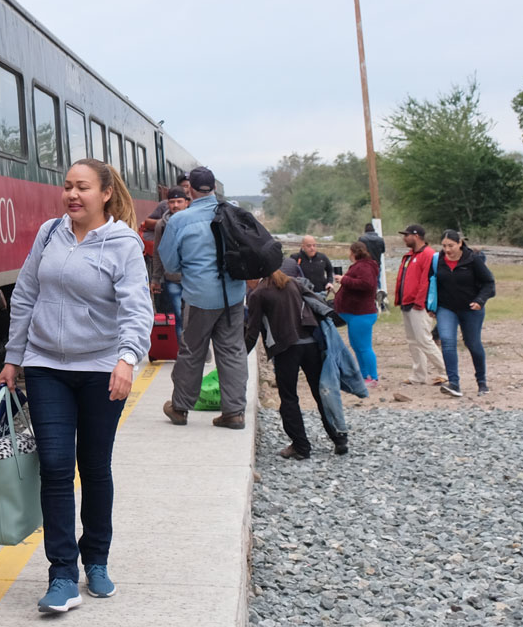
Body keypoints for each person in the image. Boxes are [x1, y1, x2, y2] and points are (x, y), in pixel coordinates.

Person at [0, 159, 152, 613]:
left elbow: (136, 308)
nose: (72, 195)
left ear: (105, 193)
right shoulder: (49, 233)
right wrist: (13, 358)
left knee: (95, 464)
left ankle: (97, 560)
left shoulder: (123, 243)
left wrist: (127, 360)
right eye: (67, 186)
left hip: (102, 369)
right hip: (47, 366)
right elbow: (26, 294)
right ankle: (62, 573)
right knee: (57, 467)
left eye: (82, 187)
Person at [157, 167, 248, 429]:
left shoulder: (180, 220)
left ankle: (180, 407)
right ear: (215, 189)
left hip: (199, 296)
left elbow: (171, 264)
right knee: (232, 350)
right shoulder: (232, 212)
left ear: (190, 190)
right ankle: (234, 412)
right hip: (233, 294)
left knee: (192, 350)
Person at [245, 258, 348, 459]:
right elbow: (318, 302)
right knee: (321, 393)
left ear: (254, 276)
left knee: (289, 398)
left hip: (285, 348)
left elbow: (253, 331)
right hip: (310, 343)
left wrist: (239, 356)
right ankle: (339, 438)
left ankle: (301, 446)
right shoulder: (292, 282)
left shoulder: (258, 294)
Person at [433, 230, 496, 397]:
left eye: (451, 245)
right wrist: (431, 305)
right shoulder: (437, 260)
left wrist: (480, 301)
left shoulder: (473, 259)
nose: (447, 249)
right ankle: (454, 383)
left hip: (471, 308)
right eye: (444, 246)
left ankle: (481, 382)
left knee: (473, 344)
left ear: (460, 243)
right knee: (447, 341)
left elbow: (489, 283)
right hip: (446, 308)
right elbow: (431, 283)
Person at [394, 225, 448, 386]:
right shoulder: (410, 255)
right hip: (407, 302)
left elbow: (426, 280)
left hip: (418, 304)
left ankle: (445, 371)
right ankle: (419, 374)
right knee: (413, 340)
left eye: (407, 235)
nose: (404, 238)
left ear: (416, 236)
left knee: (424, 339)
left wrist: (420, 301)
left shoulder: (428, 254)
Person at [333, 240, 381, 385]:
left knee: (364, 347)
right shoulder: (363, 266)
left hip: (361, 313)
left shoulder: (364, 266)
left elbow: (367, 284)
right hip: (355, 313)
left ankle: (373, 377)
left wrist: (344, 280)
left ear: (353, 252)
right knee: (357, 346)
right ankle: (364, 374)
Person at [148, 188, 189, 333]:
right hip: (172, 279)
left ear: (186, 203)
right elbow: (157, 253)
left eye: (179, 201)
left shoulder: (193, 222)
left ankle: (195, 348)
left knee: (192, 316)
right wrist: (155, 279)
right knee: (178, 315)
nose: (176, 205)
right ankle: (183, 350)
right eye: (172, 202)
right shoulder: (162, 225)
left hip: (193, 279)